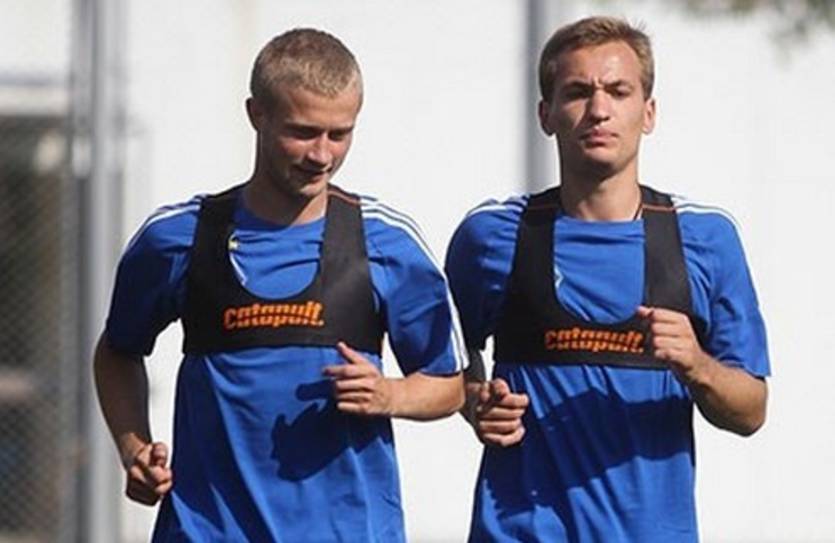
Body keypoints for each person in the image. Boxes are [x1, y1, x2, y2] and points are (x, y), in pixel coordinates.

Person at [94, 28, 466, 542]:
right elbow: (118, 351)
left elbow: (450, 384)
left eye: (339, 134)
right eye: (303, 132)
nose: (322, 155)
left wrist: (391, 394)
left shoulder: (386, 243)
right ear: (257, 115)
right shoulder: (176, 238)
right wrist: (135, 449)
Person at [445, 16, 769, 542]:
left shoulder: (705, 238)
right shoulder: (490, 236)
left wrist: (696, 364)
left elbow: (751, 411)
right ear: (546, 114)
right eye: (578, 92)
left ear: (649, 112)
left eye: (618, 92)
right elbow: (442, 367)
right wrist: (476, 402)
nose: (599, 110)